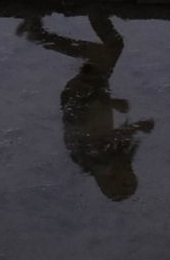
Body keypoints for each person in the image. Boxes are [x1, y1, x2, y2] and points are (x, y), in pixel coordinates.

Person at [17, 13, 155, 201]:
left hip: (80, 97)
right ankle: (48, 31)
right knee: (112, 47)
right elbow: (99, 127)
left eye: (128, 174)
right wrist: (111, 104)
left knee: (102, 53)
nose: (130, 168)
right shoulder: (106, 160)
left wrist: (135, 126)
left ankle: (90, 12)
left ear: (113, 179)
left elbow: (99, 139)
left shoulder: (96, 162)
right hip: (92, 97)